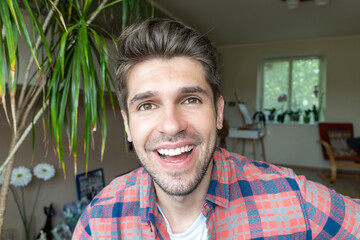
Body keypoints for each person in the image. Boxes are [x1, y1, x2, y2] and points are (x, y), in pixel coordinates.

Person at [72, 18, 360, 239]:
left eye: (191, 99)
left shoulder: (294, 202)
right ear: (127, 125)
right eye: (147, 105)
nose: (172, 125)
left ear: (218, 112)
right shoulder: (99, 221)